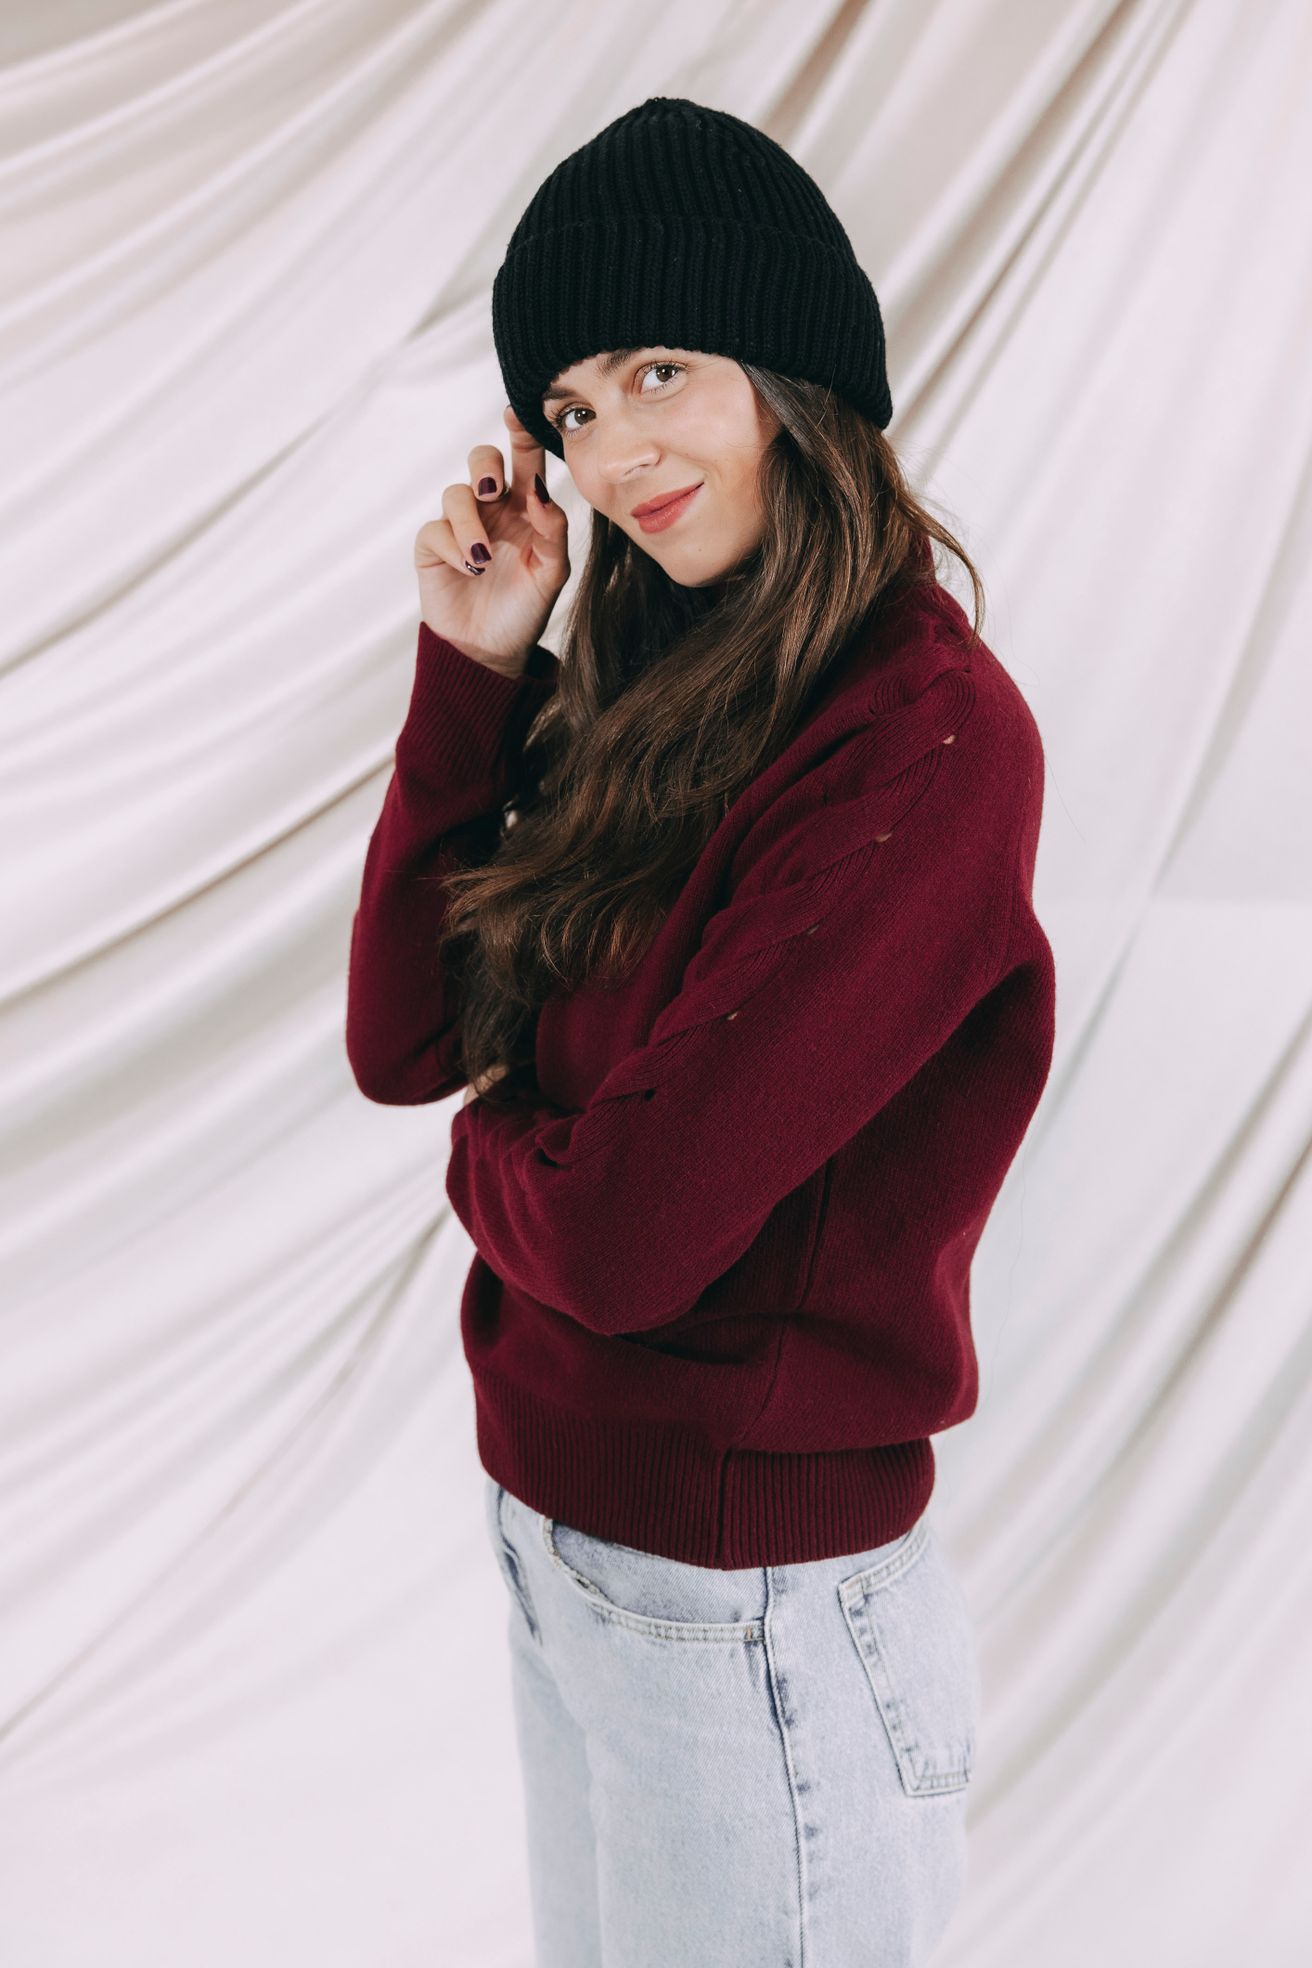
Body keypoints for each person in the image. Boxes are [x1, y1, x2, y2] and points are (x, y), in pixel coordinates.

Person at [346, 96, 1056, 1968]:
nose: (617, 454)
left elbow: (621, 1233)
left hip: (756, 1620)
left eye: (658, 370)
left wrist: (495, 1144)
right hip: (566, 1544)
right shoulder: (648, 687)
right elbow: (404, 1042)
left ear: (791, 366)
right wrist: (476, 671)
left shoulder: (922, 742)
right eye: (571, 409)